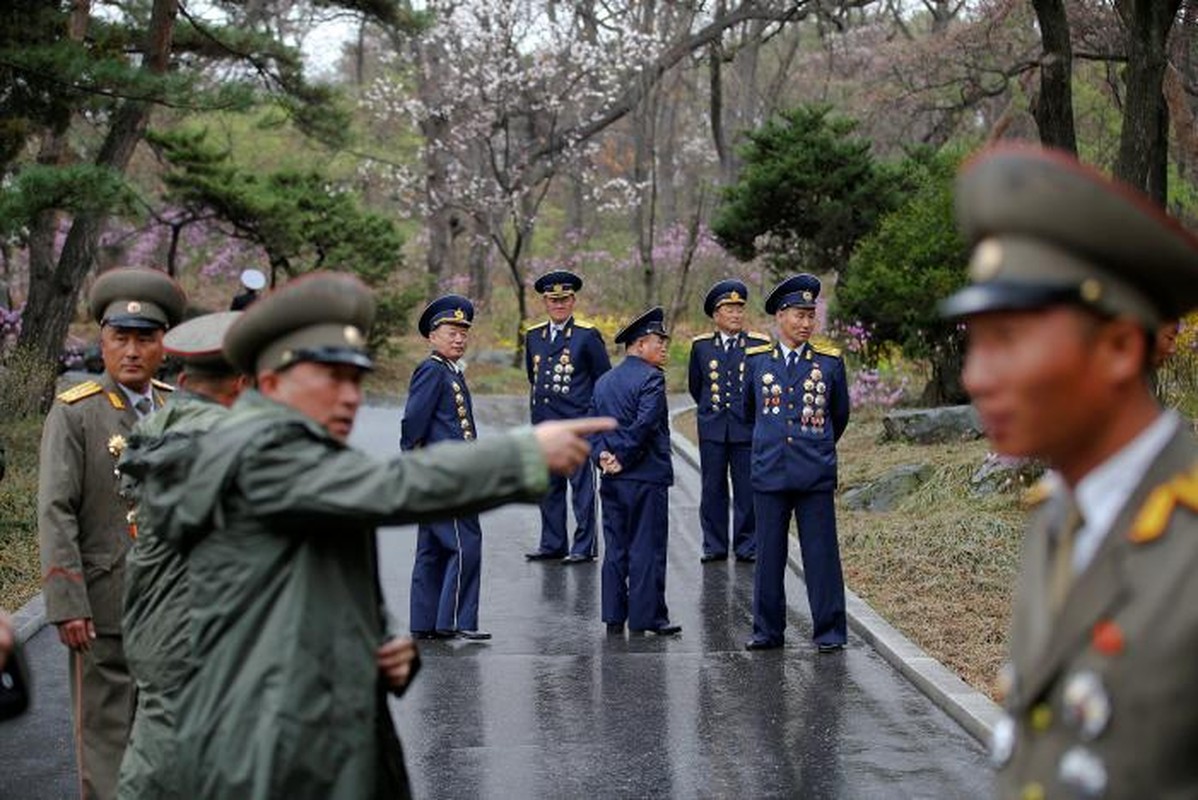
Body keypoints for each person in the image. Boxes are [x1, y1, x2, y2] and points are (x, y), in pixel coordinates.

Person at [129, 272, 609, 798]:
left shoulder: (300, 452)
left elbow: (312, 573)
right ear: (268, 384)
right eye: (330, 378)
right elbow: (392, 486)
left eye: (356, 380)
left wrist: (373, 641)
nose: (349, 397)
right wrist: (523, 454)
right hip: (251, 747)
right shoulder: (252, 454)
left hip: (305, 731)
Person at [940, 145, 1198, 799]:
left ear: (1117, 346)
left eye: (1009, 340)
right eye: (974, 340)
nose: (976, 376)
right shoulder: (1064, 512)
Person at [38, 267, 186, 799]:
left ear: (162, 345)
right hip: (103, 605)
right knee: (104, 739)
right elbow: (56, 509)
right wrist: (66, 600)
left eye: (144, 338)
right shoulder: (77, 413)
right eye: (119, 337)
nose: (131, 350)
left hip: (171, 608)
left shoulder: (177, 410)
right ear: (101, 340)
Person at [114, 311, 252, 799]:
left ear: (185, 379)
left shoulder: (159, 431)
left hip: (161, 637)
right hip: (194, 644)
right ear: (241, 383)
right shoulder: (221, 444)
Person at [742, 274, 850, 653]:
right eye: (799, 315)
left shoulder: (829, 363)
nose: (806, 323)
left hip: (813, 471)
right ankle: (767, 631)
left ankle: (830, 631)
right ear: (780, 317)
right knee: (769, 556)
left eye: (811, 315)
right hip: (770, 471)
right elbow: (747, 412)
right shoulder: (756, 363)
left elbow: (840, 415)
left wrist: (814, 446)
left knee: (821, 554)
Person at [401, 294, 491, 641]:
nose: (458, 338)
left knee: (433, 548)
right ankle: (456, 620)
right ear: (431, 336)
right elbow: (414, 422)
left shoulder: (448, 371)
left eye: (463, 333)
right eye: (451, 332)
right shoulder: (432, 370)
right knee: (464, 543)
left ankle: (425, 622)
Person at [590, 306, 681, 636]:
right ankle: (647, 618)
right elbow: (644, 424)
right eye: (659, 341)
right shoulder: (652, 379)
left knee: (616, 547)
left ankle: (614, 617)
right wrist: (622, 457)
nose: (664, 348)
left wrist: (602, 456)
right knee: (647, 546)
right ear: (640, 344)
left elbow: (591, 426)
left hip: (612, 479)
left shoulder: (604, 381)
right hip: (645, 476)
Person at [524, 269, 612, 564]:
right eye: (553, 300)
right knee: (548, 487)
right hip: (544, 424)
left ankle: (583, 546)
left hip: (577, 425)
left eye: (564, 300)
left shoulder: (587, 336)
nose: (558, 305)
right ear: (545, 303)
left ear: (573, 301)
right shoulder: (534, 336)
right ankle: (552, 543)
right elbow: (532, 377)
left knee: (582, 491)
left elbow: (604, 381)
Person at [688, 279, 771, 563]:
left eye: (739, 308)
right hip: (712, 428)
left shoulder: (758, 345)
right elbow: (695, 386)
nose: (736, 314)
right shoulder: (701, 347)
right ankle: (714, 545)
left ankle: (747, 545)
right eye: (729, 309)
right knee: (713, 488)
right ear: (716, 315)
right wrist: (710, 415)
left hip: (745, 429)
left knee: (746, 488)